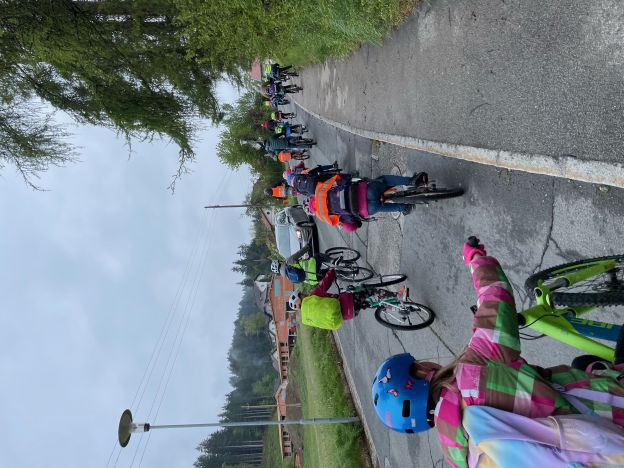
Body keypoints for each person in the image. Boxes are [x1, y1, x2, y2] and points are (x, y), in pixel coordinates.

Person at [371, 238, 624, 468]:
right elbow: (496, 298)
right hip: (611, 422)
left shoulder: (464, 458)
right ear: (421, 371)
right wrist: (475, 259)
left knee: (582, 362)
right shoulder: (473, 373)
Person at [288, 269, 396, 330]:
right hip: (348, 302)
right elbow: (324, 284)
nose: (303, 294)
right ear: (299, 299)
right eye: (301, 294)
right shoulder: (312, 297)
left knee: (369, 303)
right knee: (371, 291)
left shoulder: (306, 319)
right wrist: (332, 271)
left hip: (349, 315)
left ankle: (395, 307)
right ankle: (397, 296)